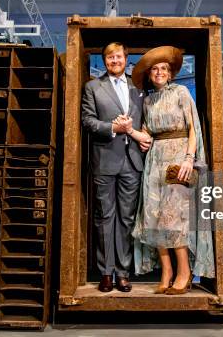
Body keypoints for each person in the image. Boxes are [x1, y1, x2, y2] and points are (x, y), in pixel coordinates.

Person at [122, 46, 215, 295]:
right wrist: (129, 130)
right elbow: (147, 135)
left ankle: (184, 273)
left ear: (171, 73)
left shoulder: (182, 92)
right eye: (155, 69)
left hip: (178, 159)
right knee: (154, 217)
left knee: (174, 218)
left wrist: (189, 159)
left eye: (164, 68)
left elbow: (194, 127)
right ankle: (166, 272)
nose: (159, 72)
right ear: (150, 75)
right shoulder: (149, 101)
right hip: (154, 160)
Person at [81, 42, 152, 293]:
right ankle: (106, 273)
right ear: (104, 61)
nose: (114, 61)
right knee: (104, 218)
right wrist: (113, 128)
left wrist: (145, 135)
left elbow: (148, 120)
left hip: (132, 161)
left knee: (127, 219)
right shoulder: (93, 87)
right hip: (104, 161)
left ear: (125, 58)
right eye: (110, 57)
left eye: (118, 56)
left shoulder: (139, 86)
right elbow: (87, 121)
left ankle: (123, 272)